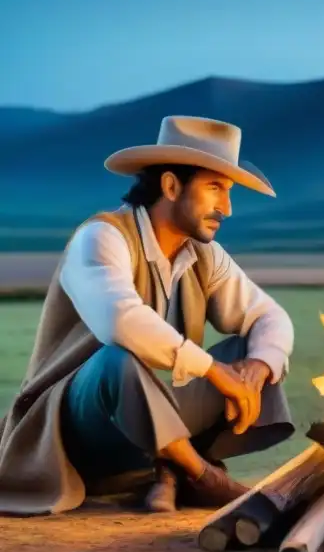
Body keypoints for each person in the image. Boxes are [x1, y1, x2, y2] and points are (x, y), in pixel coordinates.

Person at [0, 116, 296, 516]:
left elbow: (268, 316)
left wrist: (257, 367)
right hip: (79, 429)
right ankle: (202, 476)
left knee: (255, 351)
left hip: (144, 424)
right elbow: (119, 321)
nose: (226, 207)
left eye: (227, 192)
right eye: (215, 188)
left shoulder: (203, 254)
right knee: (115, 359)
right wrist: (212, 370)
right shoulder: (102, 236)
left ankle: (167, 472)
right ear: (171, 186)